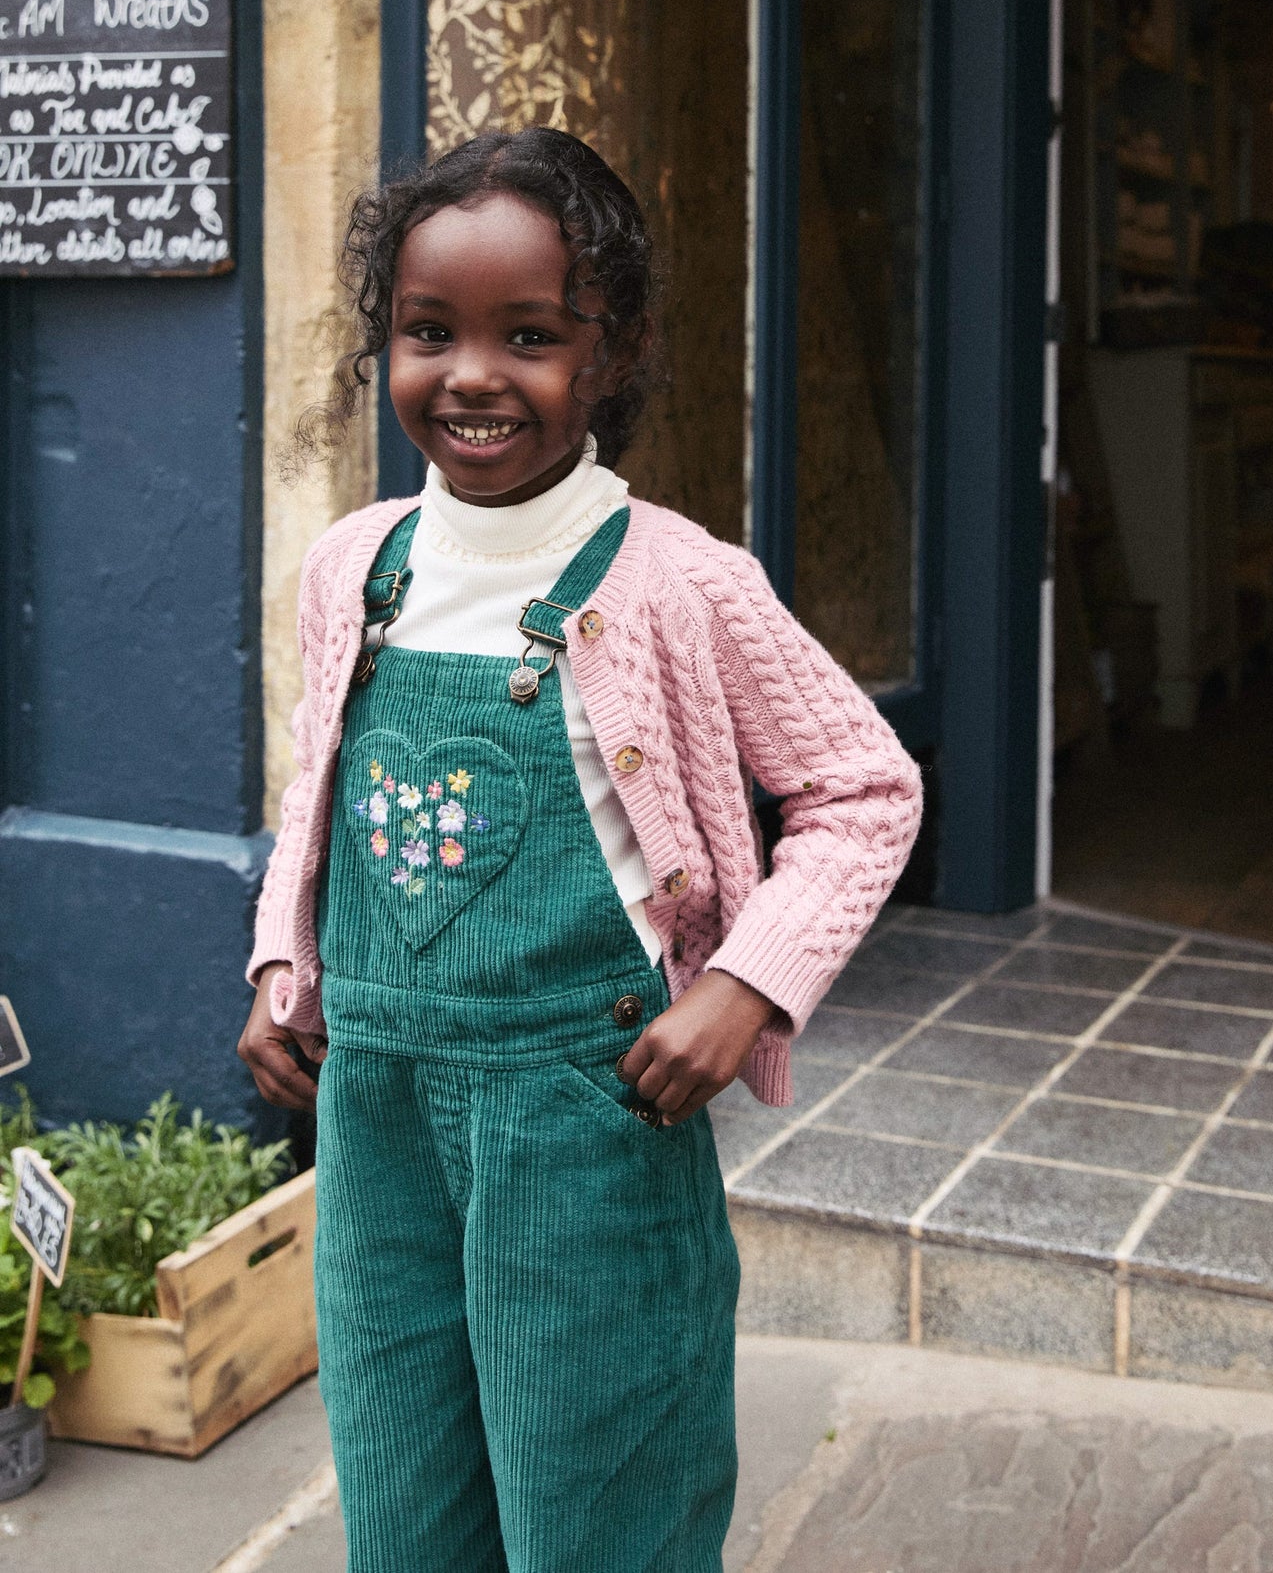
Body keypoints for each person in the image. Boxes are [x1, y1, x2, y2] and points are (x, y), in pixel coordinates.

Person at [239, 127, 923, 1572]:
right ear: (387, 345)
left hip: (588, 1121)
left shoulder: (680, 582)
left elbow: (864, 790)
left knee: (600, 1485)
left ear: (611, 355)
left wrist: (744, 985)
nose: (472, 374)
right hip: (376, 1114)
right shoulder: (350, 567)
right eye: (428, 332)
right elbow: (322, 789)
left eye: (529, 335)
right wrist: (284, 961)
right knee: (404, 1472)